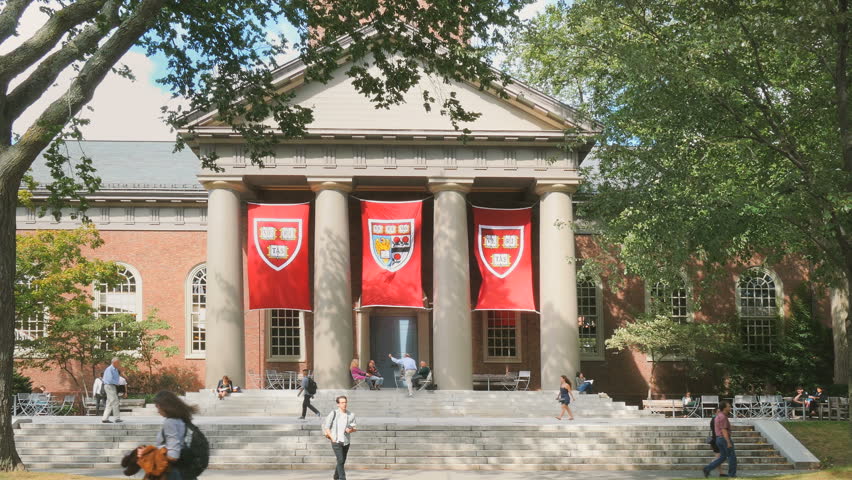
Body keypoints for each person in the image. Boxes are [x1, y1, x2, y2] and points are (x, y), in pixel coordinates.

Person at [137, 390, 199, 480]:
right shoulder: (180, 420)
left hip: (171, 472)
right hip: (181, 469)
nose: (157, 411)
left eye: (158, 407)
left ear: (165, 406)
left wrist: (150, 454)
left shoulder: (170, 422)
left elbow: (173, 455)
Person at [323, 395, 357, 480]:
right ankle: (342, 478)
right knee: (341, 459)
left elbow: (355, 428)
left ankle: (336, 476)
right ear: (338, 404)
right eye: (342, 403)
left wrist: (351, 430)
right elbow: (327, 427)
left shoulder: (351, 415)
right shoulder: (333, 413)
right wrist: (332, 438)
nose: (344, 404)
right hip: (336, 441)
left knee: (341, 461)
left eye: (345, 402)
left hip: (346, 442)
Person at [702, 400, 737, 478]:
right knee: (732, 456)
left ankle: (707, 468)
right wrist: (728, 442)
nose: (730, 407)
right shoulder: (723, 417)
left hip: (719, 439)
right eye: (728, 406)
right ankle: (732, 474)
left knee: (723, 457)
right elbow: (724, 430)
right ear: (724, 408)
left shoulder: (718, 416)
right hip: (724, 439)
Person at [102, 357, 123, 423]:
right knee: (115, 401)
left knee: (110, 402)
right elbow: (109, 379)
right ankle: (116, 418)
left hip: (112, 386)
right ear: (114, 363)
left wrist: (117, 383)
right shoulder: (109, 369)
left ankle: (105, 418)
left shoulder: (115, 369)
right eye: (118, 363)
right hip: (109, 386)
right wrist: (117, 383)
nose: (119, 364)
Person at [707, 406, 724, 477]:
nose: (720, 413)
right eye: (718, 412)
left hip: (716, 440)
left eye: (720, 412)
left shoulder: (716, 419)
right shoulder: (715, 419)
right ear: (715, 412)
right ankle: (710, 468)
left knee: (719, 457)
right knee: (718, 458)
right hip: (715, 440)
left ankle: (720, 472)